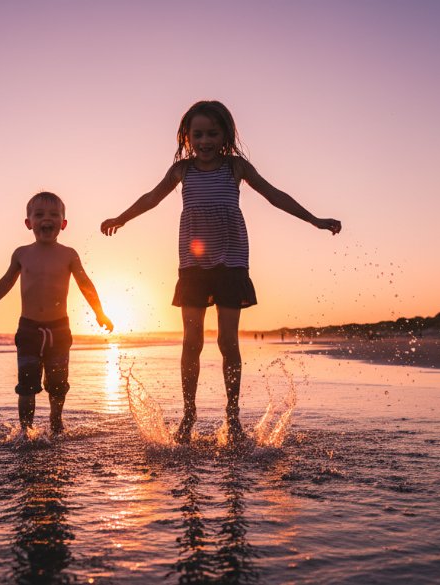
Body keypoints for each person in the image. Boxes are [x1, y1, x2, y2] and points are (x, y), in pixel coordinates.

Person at [101, 100, 341, 444]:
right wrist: (121, 218)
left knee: (228, 342)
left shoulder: (236, 168)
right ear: (187, 137)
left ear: (226, 134)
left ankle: (232, 416)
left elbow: (275, 195)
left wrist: (315, 220)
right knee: (192, 341)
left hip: (231, 263)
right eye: (197, 134)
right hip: (193, 266)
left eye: (212, 133)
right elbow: (151, 197)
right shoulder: (181, 172)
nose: (205, 140)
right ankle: (189, 414)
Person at [0, 191, 114, 434]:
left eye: (53, 215)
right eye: (39, 215)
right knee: (26, 384)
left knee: (58, 384)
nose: (45, 219)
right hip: (28, 329)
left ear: (63, 223)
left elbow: (85, 284)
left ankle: (55, 421)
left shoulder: (68, 254)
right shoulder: (22, 253)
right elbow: (6, 281)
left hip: (59, 330)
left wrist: (99, 313)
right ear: (29, 223)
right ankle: (26, 430)